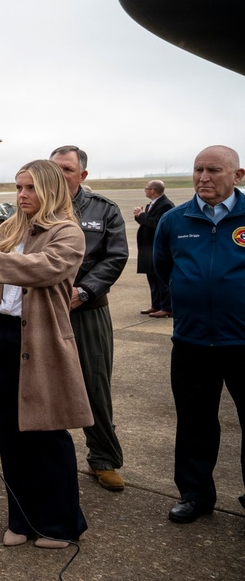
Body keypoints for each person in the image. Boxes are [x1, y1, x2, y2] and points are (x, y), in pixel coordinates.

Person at [0, 159, 92, 548]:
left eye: (30, 188)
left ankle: (60, 524)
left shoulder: (67, 233)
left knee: (47, 436)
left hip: (40, 343)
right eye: (19, 188)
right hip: (4, 340)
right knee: (10, 435)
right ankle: (22, 520)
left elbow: (44, 268)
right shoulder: (9, 228)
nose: (22, 195)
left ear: (50, 190)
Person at [154, 145, 245, 524]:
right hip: (191, 342)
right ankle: (195, 495)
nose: (203, 177)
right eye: (197, 170)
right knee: (194, 423)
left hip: (242, 343)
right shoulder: (175, 220)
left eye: (214, 170)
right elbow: (163, 269)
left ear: (238, 176)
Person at [49, 146, 128, 492]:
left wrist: (84, 292)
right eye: (54, 169)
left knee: (94, 385)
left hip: (88, 311)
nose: (60, 175)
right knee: (46, 386)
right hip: (45, 312)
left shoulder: (103, 210)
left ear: (82, 175)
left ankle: (103, 458)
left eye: (67, 169)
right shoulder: (36, 205)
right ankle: (52, 455)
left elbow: (115, 256)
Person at [133, 180, 174, 317]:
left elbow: (156, 223)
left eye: (146, 188)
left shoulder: (166, 205)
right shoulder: (153, 204)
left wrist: (142, 215)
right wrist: (139, 215)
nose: (145, 190)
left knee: (161, 278)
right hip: (149, 247)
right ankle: (156, 305)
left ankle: (167, 307)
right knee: (152, 277)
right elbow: (146, 222)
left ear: (153, 190)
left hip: (158, 248)